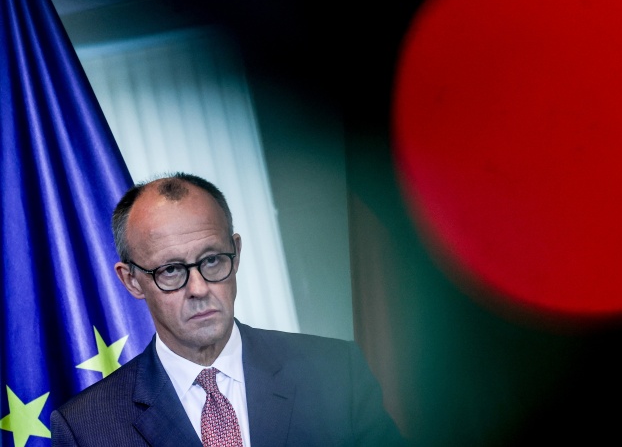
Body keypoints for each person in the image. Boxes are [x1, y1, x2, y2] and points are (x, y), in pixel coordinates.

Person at [51, 173, 405, 446]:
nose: (199, 288)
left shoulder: (336, 372)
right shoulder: (85, 428)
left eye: (212, 260)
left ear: (235, 253)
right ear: (131, 281)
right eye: (170, 270)